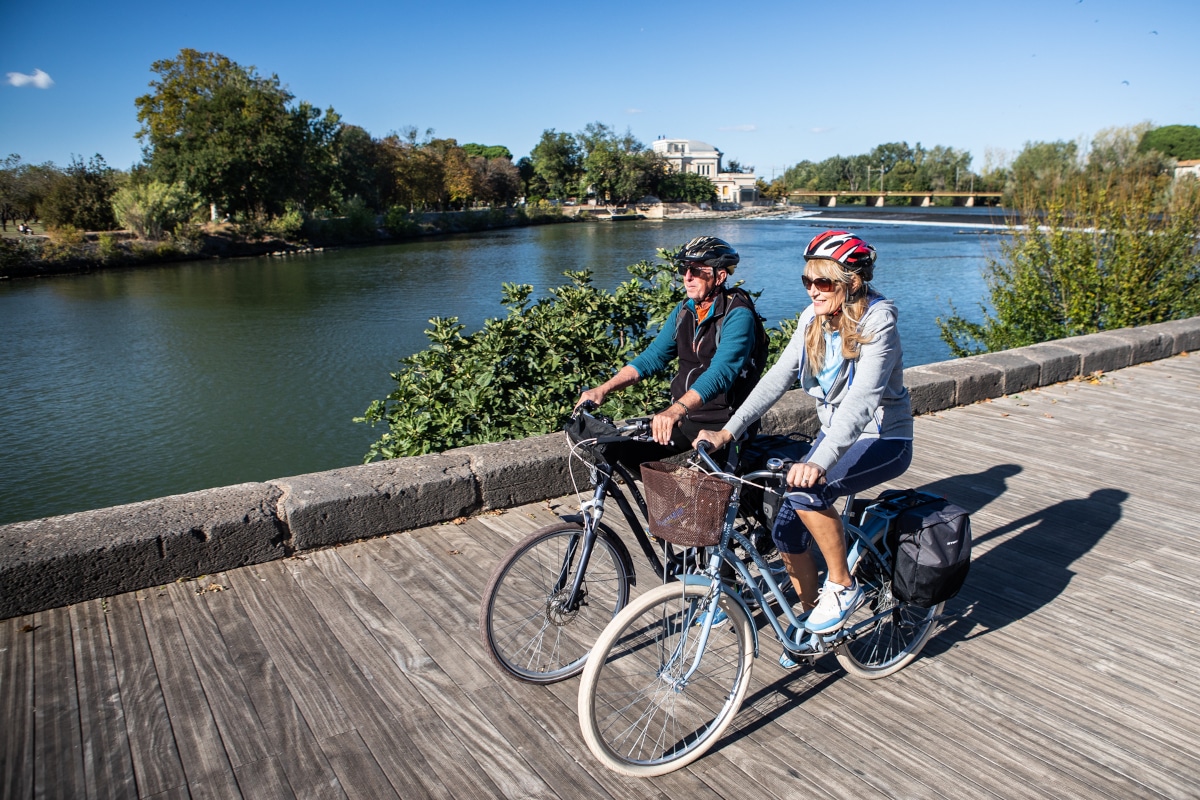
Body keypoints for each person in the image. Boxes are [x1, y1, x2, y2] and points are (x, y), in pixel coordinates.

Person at [695, 230, 913, 652]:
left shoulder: (879, 320)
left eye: (823, 282)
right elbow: (777, 377)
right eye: (807, 282)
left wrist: (818, 461)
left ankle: (843, 585)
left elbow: (864, 401)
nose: (813, 291)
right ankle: (815, 620)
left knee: (807, 491)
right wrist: (729, 430)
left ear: (851, 282)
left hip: (883, 437)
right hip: (836, 438)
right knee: (785, 531)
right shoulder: (812, 319)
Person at [576, 236, 764, 475]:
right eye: (684, 269)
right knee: (625, 452)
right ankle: (672, 510)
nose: (687, 277)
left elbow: (720, 374)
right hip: (688, 418)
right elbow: (653, 357)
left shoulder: (738, 315)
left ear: (720, 276)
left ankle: (686, 509)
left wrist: (675, 410)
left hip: (725, 424)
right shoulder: (684, 311)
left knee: (705, 498)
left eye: (696, 271)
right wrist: (603, 389)